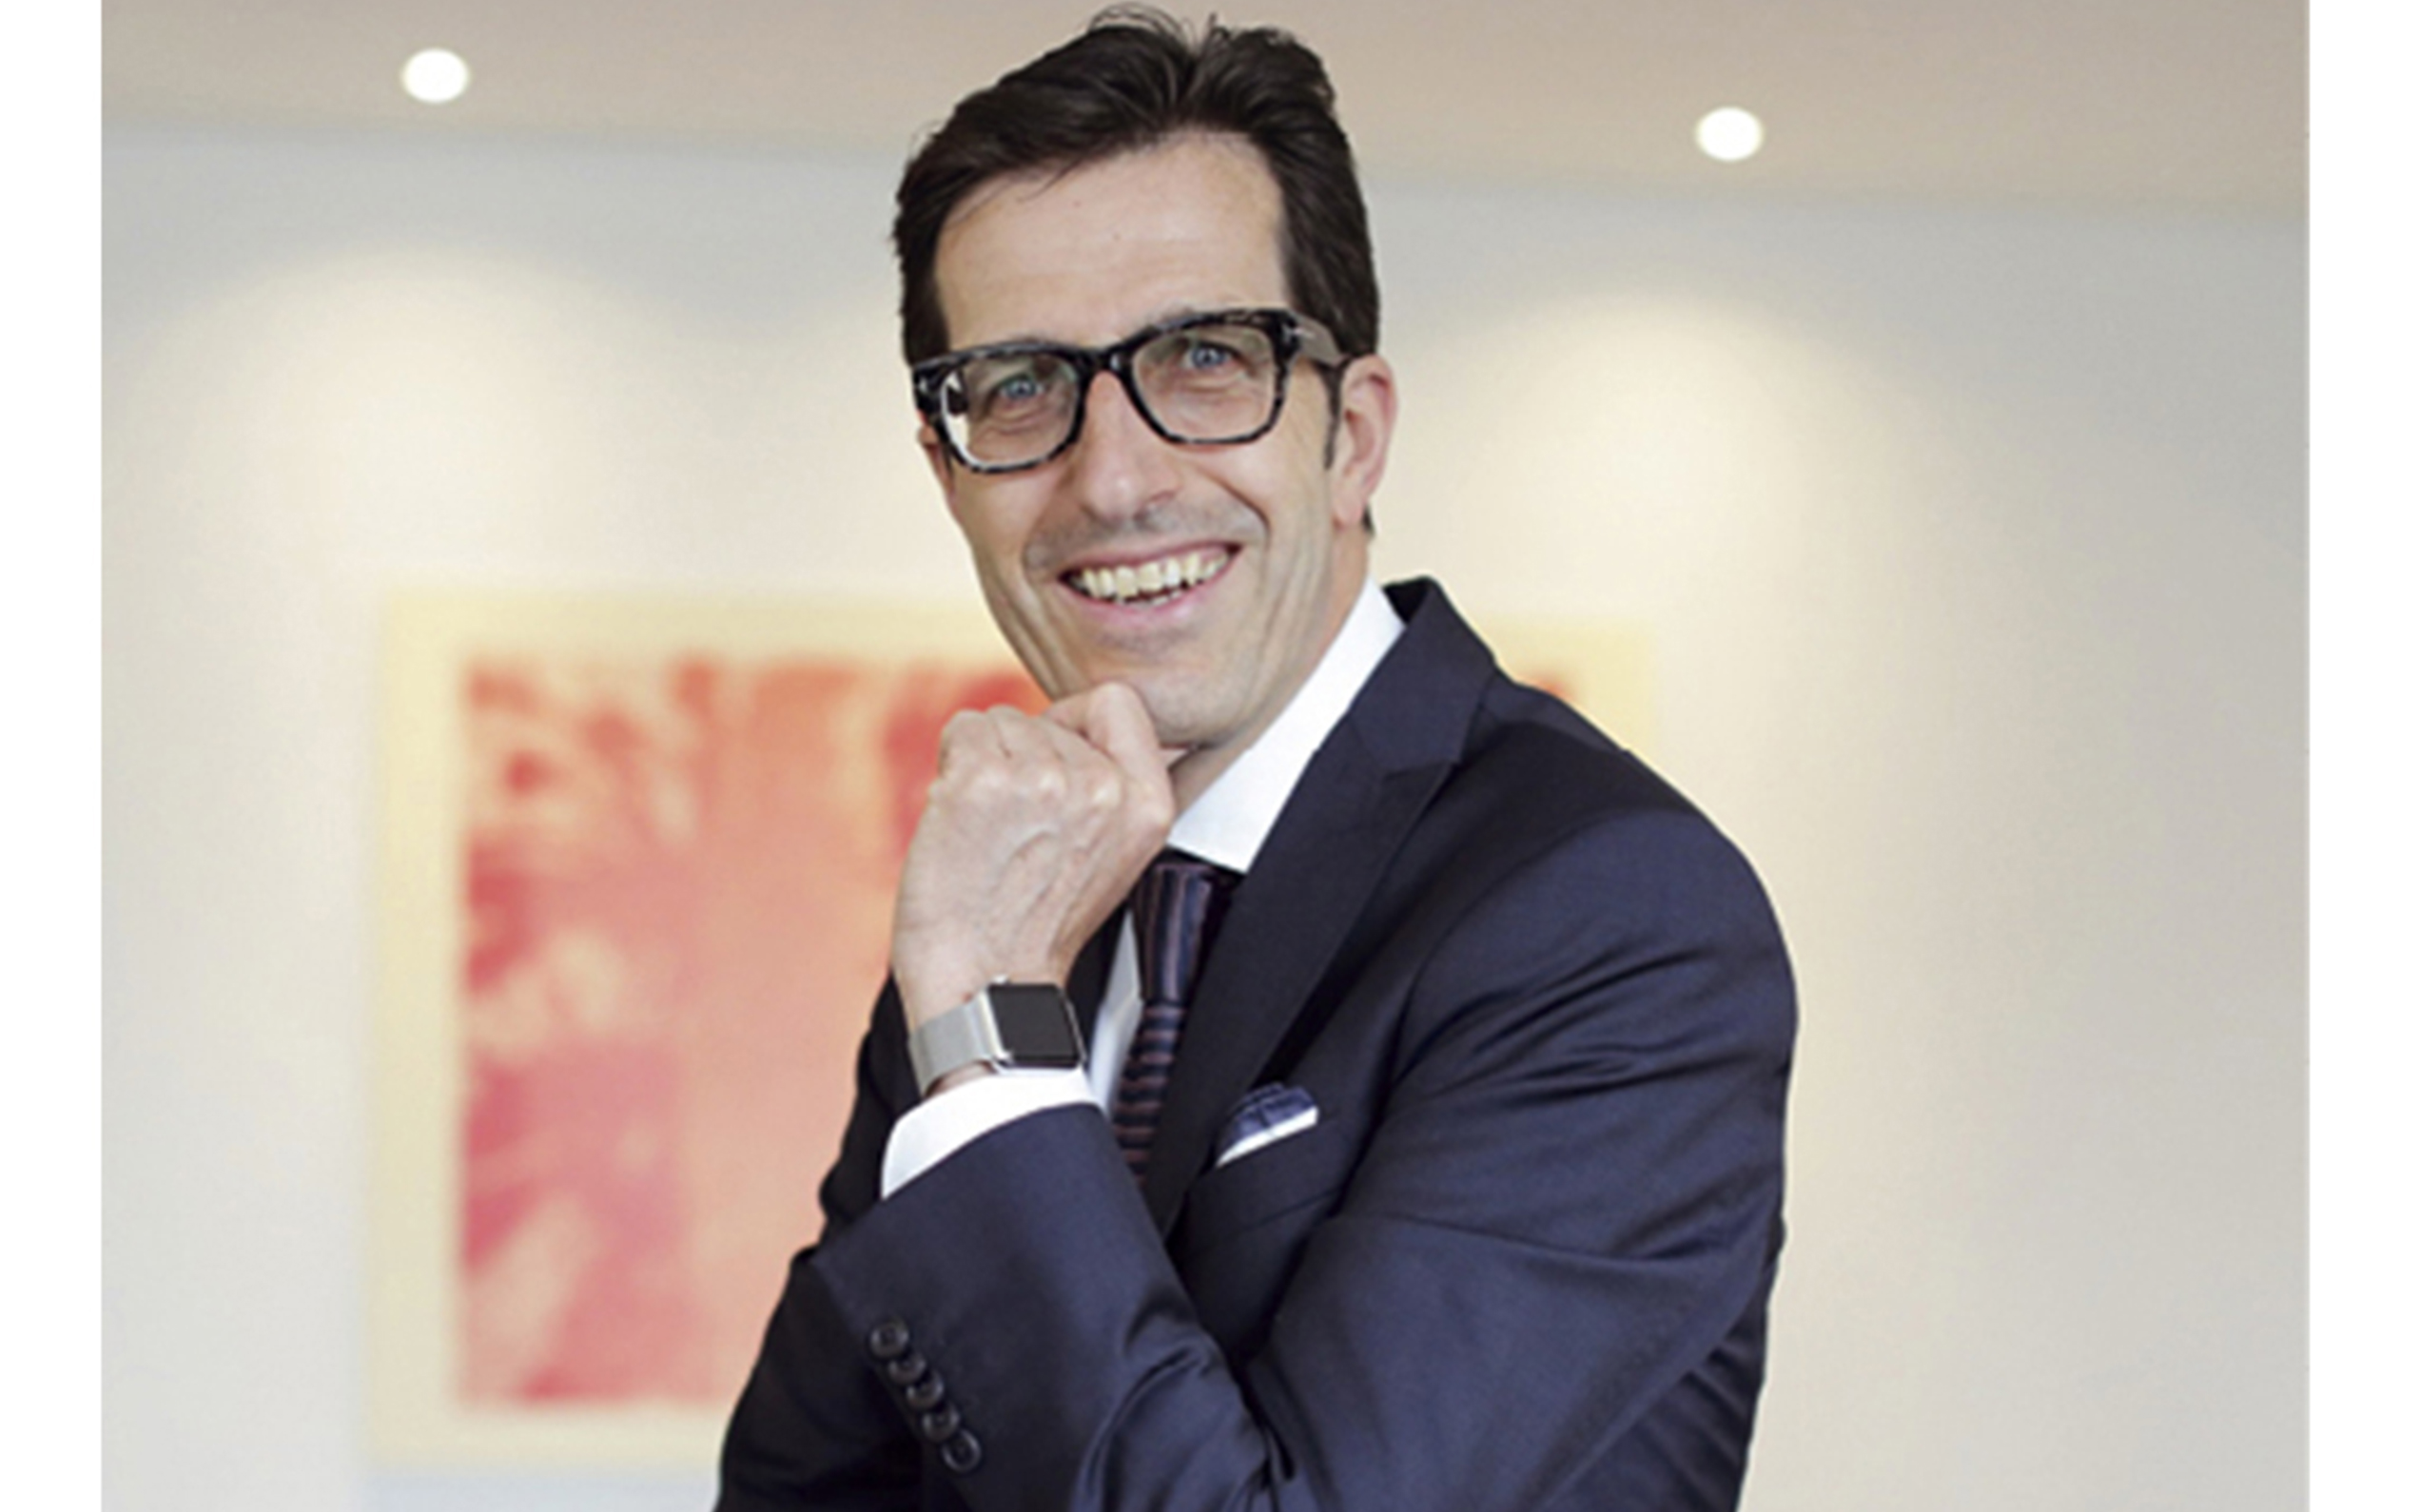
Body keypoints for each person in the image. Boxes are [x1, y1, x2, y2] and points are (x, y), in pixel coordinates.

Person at [717, 10, 1795, 1509]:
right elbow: (801, 1489)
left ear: (1354, 436)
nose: (1113, 478)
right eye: (1020, 387)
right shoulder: (1019, 915)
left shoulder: (1609, 909)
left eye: (1207, 359)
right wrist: (980, 1005)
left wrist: (987, 1038)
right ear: (947, 473)